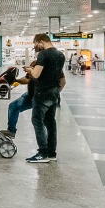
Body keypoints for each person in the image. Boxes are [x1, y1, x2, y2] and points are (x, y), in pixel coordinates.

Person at [25, 33, 66, 164]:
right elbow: (58, 76)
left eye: (36, 44)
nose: (36, 47)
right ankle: (51, 152)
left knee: (37, 120)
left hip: (41, 93)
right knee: (50, 122)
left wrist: (30, 70)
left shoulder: (43, 54)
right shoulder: (60, 55)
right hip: (54, 93)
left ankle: (42, 152)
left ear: (41, 41)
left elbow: (36, 75)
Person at [3, 69, 35, 138]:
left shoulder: (46, 65)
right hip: (30, 94)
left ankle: (45, 146)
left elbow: (63, 82)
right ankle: (11, 131)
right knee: (13, 106)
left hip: (39, 97)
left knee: (39, 121)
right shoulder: (35, 64)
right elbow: (26, 79)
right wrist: (15, 80)